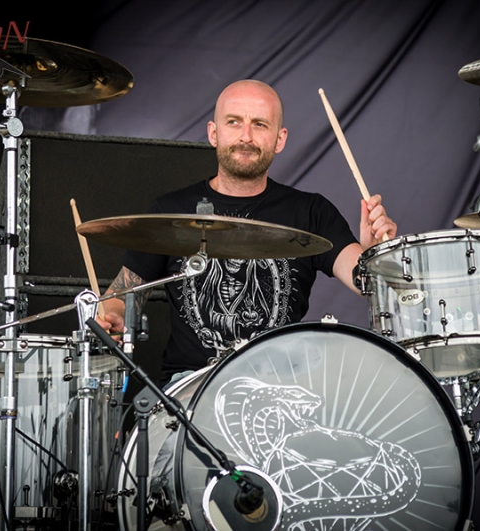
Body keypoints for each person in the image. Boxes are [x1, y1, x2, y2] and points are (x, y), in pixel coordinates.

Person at [98, 79, 396, 387]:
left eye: (260, 124)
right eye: (234, 122)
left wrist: (376, 254)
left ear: (280, 139)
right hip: (191, 390)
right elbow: (122, 296)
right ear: (213, 133)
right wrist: (113, 315)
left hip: (280, 387)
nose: (246, 136)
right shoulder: (171, 212)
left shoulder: (310, 211)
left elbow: (368, 283)